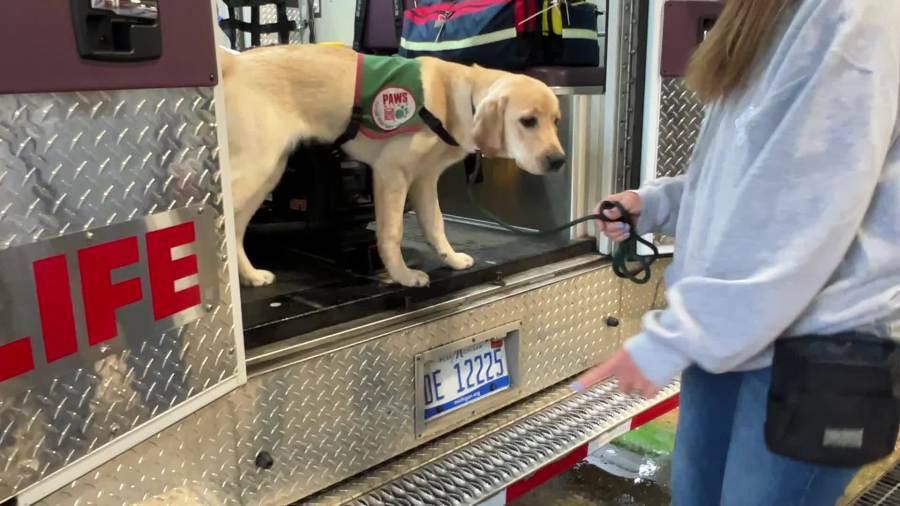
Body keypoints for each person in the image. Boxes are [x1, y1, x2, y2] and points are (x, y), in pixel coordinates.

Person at [574, 0, 900, 504]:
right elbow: (746, 184)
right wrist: (656, 204)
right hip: (731, 339)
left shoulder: (853, 14)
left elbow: (802, 216)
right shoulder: (769, 18)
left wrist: (670, 341)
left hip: (815, 354)